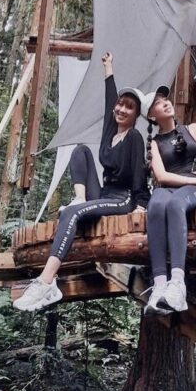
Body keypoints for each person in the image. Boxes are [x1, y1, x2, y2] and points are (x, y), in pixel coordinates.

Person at [14, 51, 149, 312]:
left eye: (129, 107)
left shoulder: (134, 138)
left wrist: (141, 205)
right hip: (103, 193)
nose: (122, 109)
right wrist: (108, 68)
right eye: (120, 105)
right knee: (80, 150)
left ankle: (46, 281)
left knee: (73, 214)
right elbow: (111, 97)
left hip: (122, 199)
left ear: (136, 115)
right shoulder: (111, 130)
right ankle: (79, 198)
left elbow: (138, 176)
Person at [140, 81, 196, 313]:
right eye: (158, 104)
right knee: (157, 204)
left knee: (175, 205)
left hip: (190, 190)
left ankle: (177, 284)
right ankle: (159, 285)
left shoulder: (193, 129)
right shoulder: (154, 143)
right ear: (151, 116)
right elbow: (160, 175)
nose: (165, 103)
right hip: (175, 184)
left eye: (165, 100)